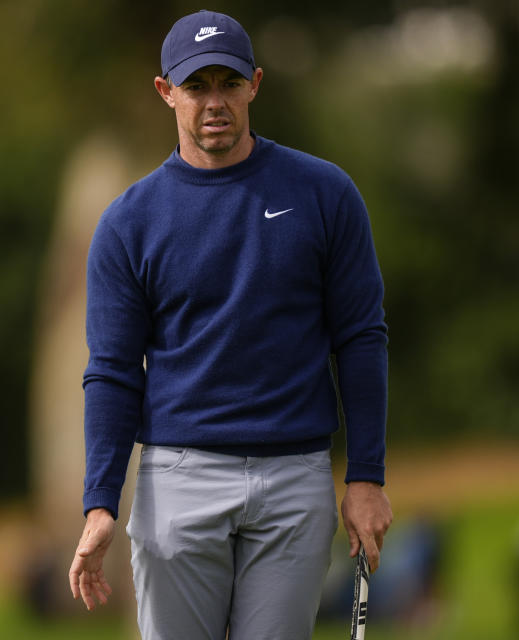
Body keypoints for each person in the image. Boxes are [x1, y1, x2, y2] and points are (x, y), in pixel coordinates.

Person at [68, 10, 392, 639]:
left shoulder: (325, 194)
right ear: (166, 92)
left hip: (294, 477)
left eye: (228, 83)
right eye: (196, 87)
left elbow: (360, 338)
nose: (214, 103)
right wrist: (100, 502)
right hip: (178, 480)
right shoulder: (128, 223)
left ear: (255, 84)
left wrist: (367, 476)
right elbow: (110, 371)